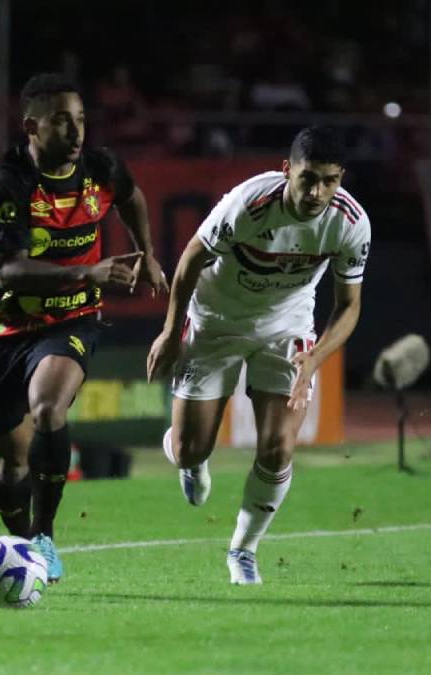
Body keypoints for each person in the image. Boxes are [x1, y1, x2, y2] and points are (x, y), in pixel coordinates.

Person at [147, 126, 369, 584]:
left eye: (329, 180)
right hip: (215, 321)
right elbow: (191, 258)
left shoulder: (350, 223)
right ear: (287, 170)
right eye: (308, 178)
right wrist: (171, 332)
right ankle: (189, 459)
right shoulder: (249, 205)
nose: (317, 191)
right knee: (191, 449)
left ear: (341, 178)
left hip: (284, 328)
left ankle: (243, 550)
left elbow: (348, 307)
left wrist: (314, 359)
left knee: (278, 446)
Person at [0, 72, 167, 582]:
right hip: (7, 326)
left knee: (48, 406)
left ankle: (44, 536)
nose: (76, 131)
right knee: (9, 463)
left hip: (75, 316)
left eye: (80, 119)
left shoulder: (101, 168)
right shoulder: (6, 181)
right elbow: (8, 271)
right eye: (62, 120)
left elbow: (133, 196)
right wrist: (88, 269)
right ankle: (18, 544)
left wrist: (147, 253)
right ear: (32, 127)